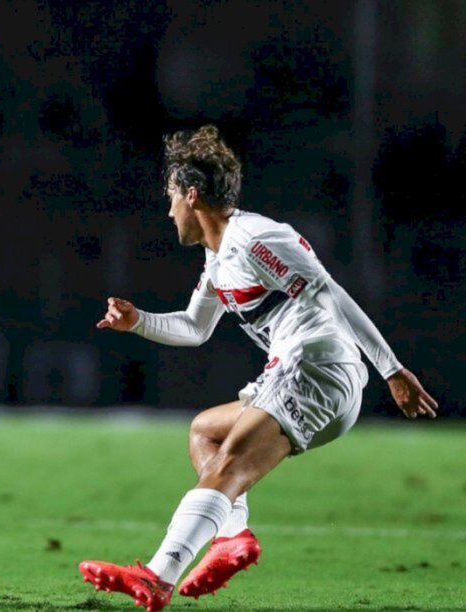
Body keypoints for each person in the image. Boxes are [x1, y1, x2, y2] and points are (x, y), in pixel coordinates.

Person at [78, 125, 438, 612]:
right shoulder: (218, 257)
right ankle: (232, 538)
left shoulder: (254, 238)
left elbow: (329, 292)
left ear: (192, 194)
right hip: (300, 375)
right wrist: (137, 321)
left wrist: (392, 370)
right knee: (205, 433)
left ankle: (158, 576)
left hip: (316, 367)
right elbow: (193, 327)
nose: (168, 212)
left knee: (226, 467)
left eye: (171, 199)